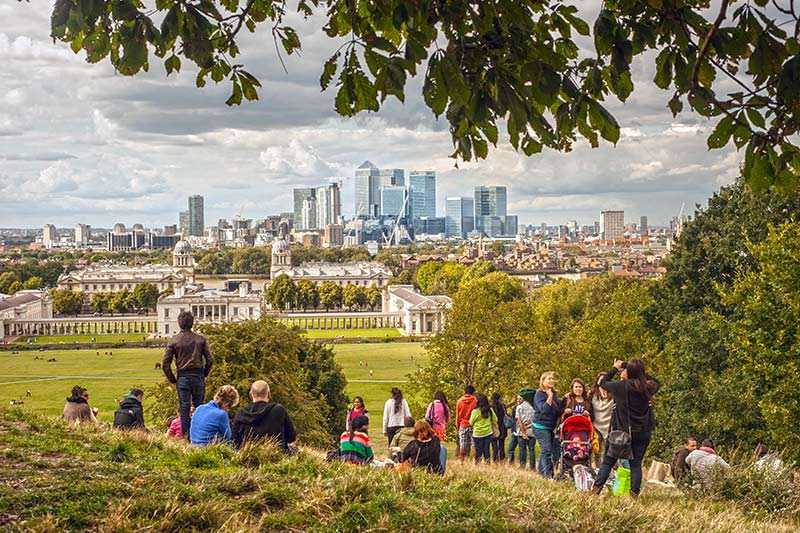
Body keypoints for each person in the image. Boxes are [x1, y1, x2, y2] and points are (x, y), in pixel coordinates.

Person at [591, 359, 660, 497]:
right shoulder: (648, 387)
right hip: (642, 432)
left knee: (608, 462)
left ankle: (595, 490)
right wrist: (639, 371)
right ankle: (634, 495)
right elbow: (658, 382)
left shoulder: (621, 386)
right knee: (636, 465)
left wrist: (616, 368)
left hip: (620, 432)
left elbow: (602, 382)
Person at [162, 310, 214, 439]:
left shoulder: (174, 340)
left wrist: (173, 380)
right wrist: (204, 374)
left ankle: (186, 436)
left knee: (184, 407)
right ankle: (199, 435)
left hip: (183, 376)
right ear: (192, 323)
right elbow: (210, 360)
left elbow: (165, 364)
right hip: (198, 375)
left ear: (179, 324)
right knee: (199, 407)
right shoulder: (200, 339)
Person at [232, 380, 297, 452]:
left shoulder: (241, 414)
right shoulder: (278, 410)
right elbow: (291, 437)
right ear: (269, 393)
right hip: (276, 456)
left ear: (251, 394)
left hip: (248, 457)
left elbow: (235, 442)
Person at [533, 372, 563, 478]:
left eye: (552, 379)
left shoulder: (554, 394)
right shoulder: (539, 394)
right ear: (543, 381)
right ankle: (548, 475)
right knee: (546, 449)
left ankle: (541, 473)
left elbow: (557, 410)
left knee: (544, 450)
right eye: (548, 379)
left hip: (550, 427)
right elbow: (544, 410)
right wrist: (549, 397)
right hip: (540, 426)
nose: (551, 381)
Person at [589, 373, 615, 468]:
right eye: (600, 380)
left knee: (610, 451)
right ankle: (598, 469)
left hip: (610, 426)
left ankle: (610, 471)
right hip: (596, 426)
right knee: (596, 450)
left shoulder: (614, 394)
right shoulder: (592, 394)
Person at [469, 394, 498, 464]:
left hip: (477, 434)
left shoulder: (475, 411)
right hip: (488, 433)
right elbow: (495, 419)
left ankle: (477, 464)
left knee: (478, 450)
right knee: (486, 450)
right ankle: (487, 463)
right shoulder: (490, 410)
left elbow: (470, 423)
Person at [455, 384, 478, 460]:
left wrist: (458, 426)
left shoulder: (459, 401)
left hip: (463, 425)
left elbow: (457, 416)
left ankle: (462, 462)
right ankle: (475, 462)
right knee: (474, 445)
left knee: (462, 445)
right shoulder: (475, 400)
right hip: (473, 425)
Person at [515, 390, 537, 469]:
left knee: (522, 449)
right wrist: (529, 426)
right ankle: (532, 466)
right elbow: (536, 420)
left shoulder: (519, 407)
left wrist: (523, 431)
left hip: (521, 432)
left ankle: (522, 465)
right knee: (531, 449)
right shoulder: (534, 407)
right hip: (532, 431)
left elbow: (519, 421)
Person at [490, 392, 508, 462]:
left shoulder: (490, 407)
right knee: (501, 445)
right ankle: (502, 459)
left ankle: (495, 459)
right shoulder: (503, 406)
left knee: (494, 446)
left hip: (494, 428)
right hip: (502, 428)